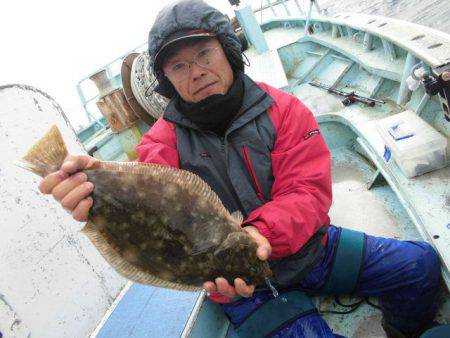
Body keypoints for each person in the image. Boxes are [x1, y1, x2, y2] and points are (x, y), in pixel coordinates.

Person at [38, 0, 442, 337]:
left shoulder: (284, 110)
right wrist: (92, 186)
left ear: (228, 52)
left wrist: (256, 235)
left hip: (309, 251)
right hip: (238, 285)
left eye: (204, 54)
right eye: (178, 66)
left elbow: (307, 193)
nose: (195, 71)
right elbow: (155, 215)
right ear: (167, 81)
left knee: (420, 266)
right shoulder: (159, 145)